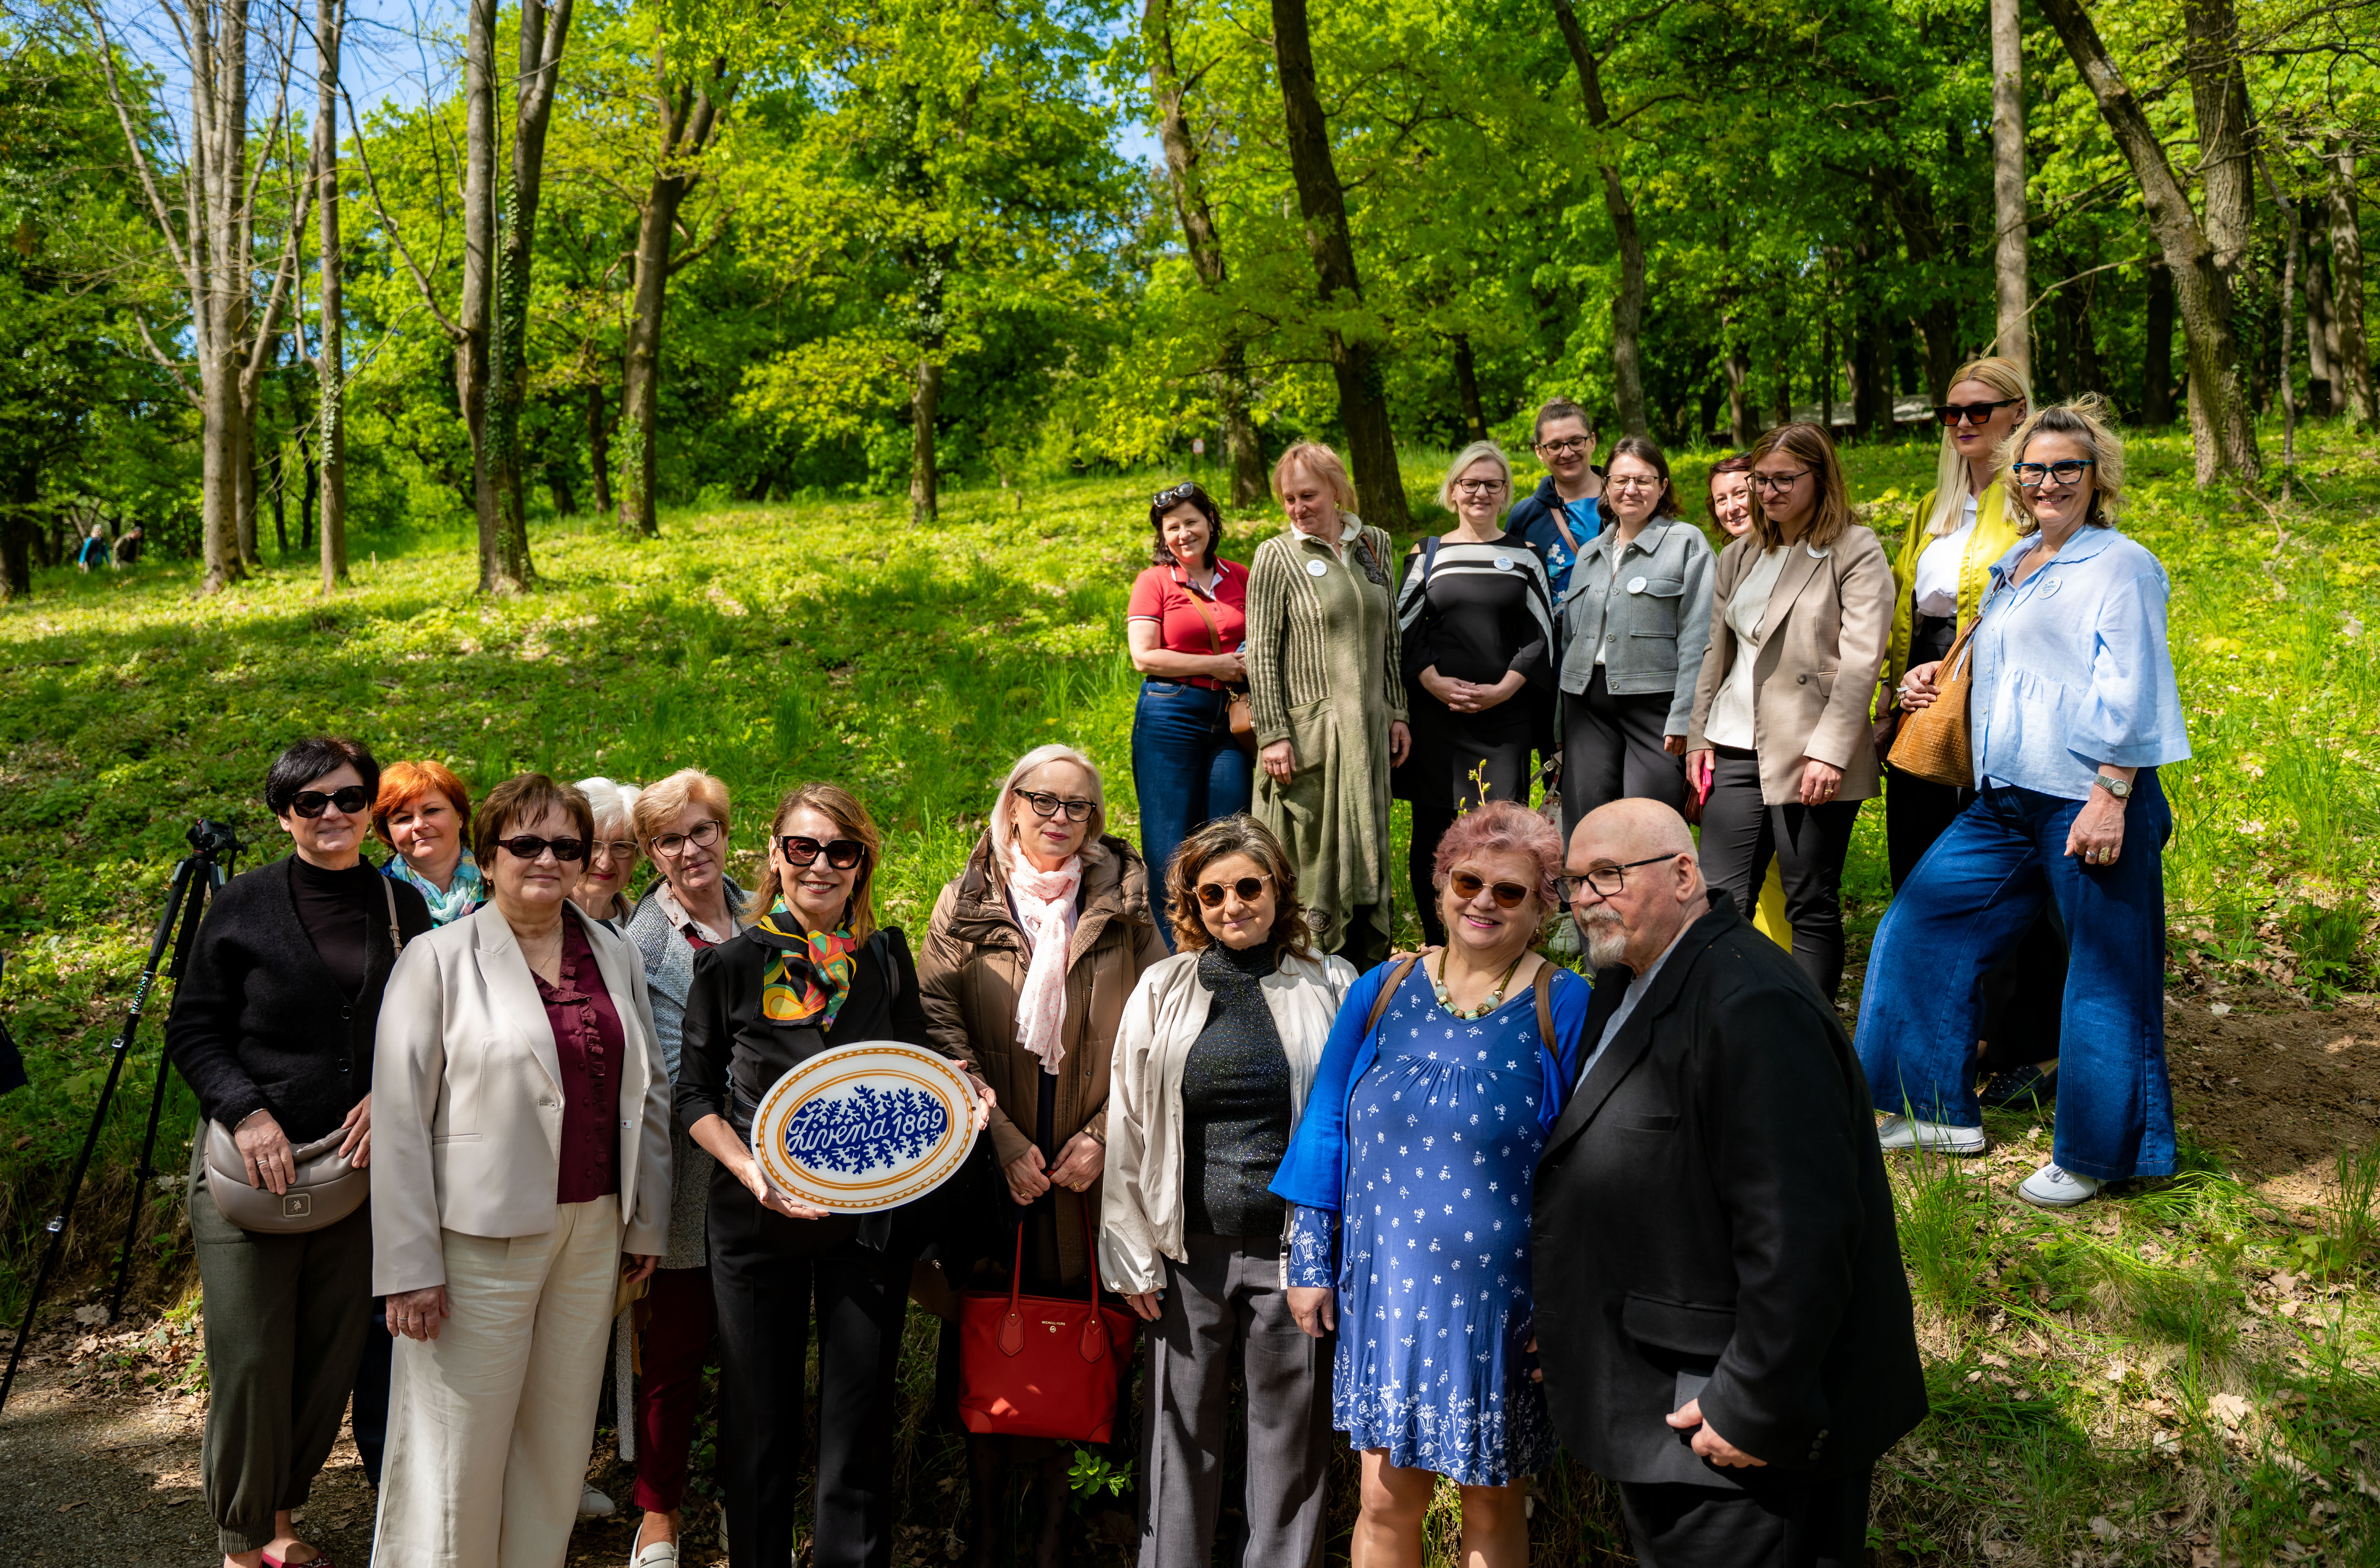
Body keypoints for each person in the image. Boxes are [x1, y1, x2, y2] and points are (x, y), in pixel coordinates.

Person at [1532, 798, 1927, 1568]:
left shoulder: (1752, 1006)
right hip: (1661, 1404)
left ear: (1685, 874)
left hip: (1735, 1430)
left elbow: (1801, 1233)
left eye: (1609, 875)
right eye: (1573, 882)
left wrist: (1752, 1404)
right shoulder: (1630, 980)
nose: (1585, 899)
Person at [1858, 400, 2190, 1207]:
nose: (2048, 482)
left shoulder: (2121, 564)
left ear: (2096, 476)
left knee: (2108, 978)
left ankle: (2101, 1155)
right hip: (2004, 798)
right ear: (2015, 479)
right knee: (1919, 929)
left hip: (2089, 797)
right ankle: (1932, 1109)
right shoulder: (2017, 563)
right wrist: (1933, 680)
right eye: (2034, 468)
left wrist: (2112, 795)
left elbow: (2134, 685)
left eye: (2066, 468)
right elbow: (2015, 666)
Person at [1272, 800, 1590, 1568]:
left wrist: (1572, 1303)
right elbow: (1324, 1127)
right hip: (1388, 1293)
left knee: (1493, 1501)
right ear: (1442, 886)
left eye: (1510, 891)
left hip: (1505, 1303)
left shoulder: (1567, 1002)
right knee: (1385, 1502)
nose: (1483, 901)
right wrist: (1311, 1263)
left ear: (1545, 907)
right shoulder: (1383, 987)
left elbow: (1592, 1168)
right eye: (1468, 882)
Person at [677, 782, 987, 1568]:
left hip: (868, 1220)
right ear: (775, 855)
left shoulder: (885, 959)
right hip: (756, 1220)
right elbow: (692, 1095)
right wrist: (749, 1170)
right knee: (756, 1419)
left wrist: (961, 1091)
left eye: (840, 851)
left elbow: (914, 1067)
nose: (820, 865)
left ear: (861, 863)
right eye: (802, 848)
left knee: (858, 1417)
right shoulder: (729, 965)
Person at [370, 773, 674, 1568]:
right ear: (490, 851)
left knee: (557, 1439)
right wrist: (407, 1266)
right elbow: (399, 1122)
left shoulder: (613, 951)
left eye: (566, 846)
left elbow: (651, 1091)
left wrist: (644, 1219)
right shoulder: (436, 960)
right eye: (527, 843)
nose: (547, 859)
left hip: (593, 1230)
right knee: (458, 1448)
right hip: (476, 1241)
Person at [166, 738, 434, 1568]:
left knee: (325, 1359)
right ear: (284, 812)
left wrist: (392, 1095)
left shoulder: (404, 910)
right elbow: (194, 1027)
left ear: (370, 807)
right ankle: (244, 1544)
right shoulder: (242, 906)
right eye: (310, 802)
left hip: (356, 1171)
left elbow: (428, 1033)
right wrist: (244, 1112)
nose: (332, 816)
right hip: (250, 1171)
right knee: (251, 1358)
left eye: (349, 798)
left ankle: (280, 1518)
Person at [920, 744, 1168, 1568]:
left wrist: (1102, 1132)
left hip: (1090, 1169)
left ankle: (1056, 1541)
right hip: (992, 1167)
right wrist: (999, 1134)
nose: (1060, 818)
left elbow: (1155, 1033)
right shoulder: (965, 900)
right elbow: (936, 1020)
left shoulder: (1130, 906)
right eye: (1044, 800)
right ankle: (987, 1538)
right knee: (991, 1342)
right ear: (1012, 803)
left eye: (1079, 806)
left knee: (1076, 1351)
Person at [1099, 815, 1356, 1568]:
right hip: (1187, 1252)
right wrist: (1130, 1254)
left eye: (1248, 887)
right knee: (1177, 1443)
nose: (1231, 905)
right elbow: (1129, 1122)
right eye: (1212, 894)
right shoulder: (1163, 987)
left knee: (1291, 1445)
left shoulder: (1332, 982)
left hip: (1293, 1259)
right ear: (1192, 904)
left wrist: (1332, 1253)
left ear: (1279, 888)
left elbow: (1350, 1120)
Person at [1878, 358, 2068, 1110]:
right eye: (1951, 411)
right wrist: (1901, 689)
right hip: (1928, 703)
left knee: (2007, 880)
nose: (1963, 422)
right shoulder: (1936, 502)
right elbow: (1907, 613)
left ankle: (2032, 1046)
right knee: (1922, 876)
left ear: (2018, 412)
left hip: (2005, 705)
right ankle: (1960, 1034)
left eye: (1980, 410)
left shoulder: (2039, 498)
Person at [1684, 422, 1894, 1004]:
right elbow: (1715, 652)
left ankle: (1806, 1043)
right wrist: (1698, 735)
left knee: (1809, 900)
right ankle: (1725, 1024)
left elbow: (1860, 662)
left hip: (1810, 752)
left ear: (1819, 478)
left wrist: (1828, 751)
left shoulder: (1855, 549)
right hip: (1733, 744)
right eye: (1760, 480)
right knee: (1715, 900)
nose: (1767, 493)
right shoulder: (1740, 552)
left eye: (1783, 480)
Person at [620, 768, 749, 1564]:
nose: (691, 849)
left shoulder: (768, 913)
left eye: (703, 830)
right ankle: (659, 1516)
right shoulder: (641, 944)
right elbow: (658, 1071)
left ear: (726, 832)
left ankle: (749, 1501)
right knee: (674, 1357)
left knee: (753, 1355)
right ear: (650, 853)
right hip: (687, 1179)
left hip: (774, 1177)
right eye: (670, 839)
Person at [1245, 442, 1410, 965]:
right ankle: (1304, 977)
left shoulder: (1375, 546)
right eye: (1289, 499)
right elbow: (1262, 651)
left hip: (1368, 730)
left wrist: (1397, 710)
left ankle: (1366, 978)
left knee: (1368, 848)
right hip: (1308, 737)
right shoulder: (1277, 556)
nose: (1298, 508)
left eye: (1308, 495)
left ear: (1338, 490)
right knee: (1311, 855)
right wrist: (1272, 732)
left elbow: (1390, 640)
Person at [1394, 440, 1556, 948]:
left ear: (1506, 491)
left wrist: (1505, 689)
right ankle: (1437, 942)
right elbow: (1401, 629)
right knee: (1436, 832)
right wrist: (1431, 680)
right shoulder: (1429, 553)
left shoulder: (1525, 556)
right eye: (1471, 484)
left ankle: (1498, 939)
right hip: (1437, 718)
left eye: (1492, 484)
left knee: (1502, 833)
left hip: (1503, 721)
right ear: (1453, 491)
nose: (1481, 493)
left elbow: (1543, 635)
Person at [1556, 435, 1714, 829]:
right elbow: (1569, 641)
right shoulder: (1590, 552)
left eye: (1643, 480)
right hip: (1586, 706)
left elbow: (1699, 638)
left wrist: (1684, 719)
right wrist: (1560, 724)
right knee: (1588, 822)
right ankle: (1587, 892)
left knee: (1651, 822)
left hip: (1655, 708)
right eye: (1620, 480)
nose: (1631, 490)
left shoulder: (1686, 543)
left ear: (1662, 487)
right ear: (1606, 487)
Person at [1128, 481, 1255, 946]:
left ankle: (1230, 946)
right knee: (1169, 841)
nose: (1184, 533)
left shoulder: (1241, 576)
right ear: (1163, 536)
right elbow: (1144, 656)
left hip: (1232, 718)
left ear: (1210, 524)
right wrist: (1216, 665)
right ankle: (1180, 951)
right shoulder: (1154, 582)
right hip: (1170, 714)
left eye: (1192, 522)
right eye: (1173, 526)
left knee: (1231, 830)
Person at [1503, 396, 1607, 598]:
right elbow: (1510, 586)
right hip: (1551, 630)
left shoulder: (1627, 499)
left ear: (1592, 442)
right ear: (1539, 453)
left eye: (1576, 442)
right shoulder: (1525, 516)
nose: (1567, 453)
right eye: (1555, 446)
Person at [373, 759, 485, 926]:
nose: (419, 825)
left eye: (432, 811)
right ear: (388, 833)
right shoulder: (375, 898)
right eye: (404, 818)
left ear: (460, 818)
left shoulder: (500, 883)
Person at [571, 775, 645, 927]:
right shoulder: (540, 921)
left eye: (621, 846)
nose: (605, 864)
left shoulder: (646, 927)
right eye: (592, 845)